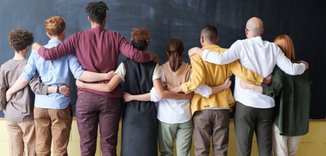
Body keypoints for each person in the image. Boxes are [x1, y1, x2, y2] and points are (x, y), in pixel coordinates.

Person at [31, 1, 159, 156]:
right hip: (110, 100)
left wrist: (35, 45)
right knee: (109, 146)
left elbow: (49, 54)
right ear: (105, 19)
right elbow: (138, 56)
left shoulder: (77, 38)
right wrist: (153, 56)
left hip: (86, 99)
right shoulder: (116, 37)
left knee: (86, 147)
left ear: (89, 19)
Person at [188, 17, 308, 156]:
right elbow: (292, 70)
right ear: (262, 31)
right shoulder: (273, 48)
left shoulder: (240, 45)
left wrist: (198, 50)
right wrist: (304, 65)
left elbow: (220, 59)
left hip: (245, 106)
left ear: (246, 31)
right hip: (266, 107)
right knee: (265, 151)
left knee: (244, 151)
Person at [6, 16, 114, 156]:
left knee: (42, 149)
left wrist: (10, 91)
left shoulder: (36, 53)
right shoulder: (68, 52)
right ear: (64, 31)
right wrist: (106, 76)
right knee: (60, 150)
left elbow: (25, 78)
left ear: (47, 33)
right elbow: (80, 75)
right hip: (60, 105)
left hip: (40, 105)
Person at [76, 28, 192, 156]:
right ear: (148, 46)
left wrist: (83, 85)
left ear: (131, 46)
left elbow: (108, 87)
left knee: (129, 150)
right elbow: (159, 94)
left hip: (131, 114)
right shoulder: (155, 66)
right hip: (148, 114)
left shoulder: (124, 65)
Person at [168, 25, 268, 156]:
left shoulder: (196, 55)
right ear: (217, 39)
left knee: (201, 150)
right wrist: (263, 80)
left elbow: (197, 81)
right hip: (222, 107)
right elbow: (244, 73)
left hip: (201, 108)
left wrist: (177, 89)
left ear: (202, 39)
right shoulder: (228, 54)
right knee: (221, 150)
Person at [123, 37, 233, 156]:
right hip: (185, 118)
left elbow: (156, 95)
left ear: (166, 52)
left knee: (166, 153)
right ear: (182, 52)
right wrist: (186, 95)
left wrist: (132, 97)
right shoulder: (190, 69)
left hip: (166, 119)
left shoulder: (160, 70)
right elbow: (199, 91)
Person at [0, 28, 70, 156]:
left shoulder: (4, 66)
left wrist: (4, 108)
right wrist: (57, 89)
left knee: (14, 152)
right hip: (27, 115)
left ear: (12, 45)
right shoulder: (29, 64)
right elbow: (37, 87)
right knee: (31, 151)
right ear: (28, 47)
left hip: (11, 116)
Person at [240, 35, 311, 156]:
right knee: (292, 153)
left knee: (281, 154)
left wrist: (251, 86)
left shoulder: (278, 70)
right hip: (299, 121)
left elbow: (273, 91)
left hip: (282, 120)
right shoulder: (302, 70)